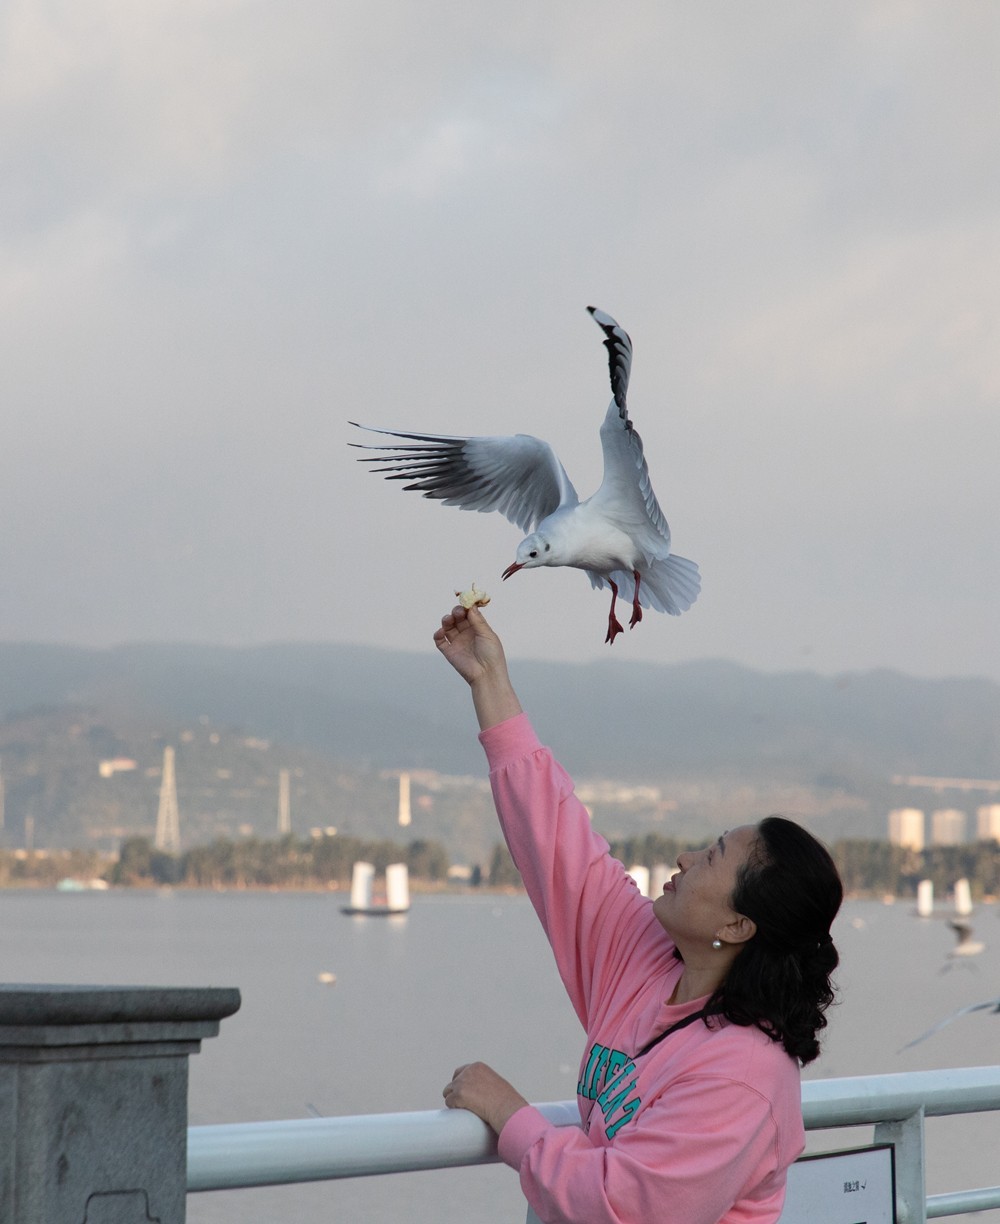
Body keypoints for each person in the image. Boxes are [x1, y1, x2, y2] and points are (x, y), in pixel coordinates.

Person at [436, 605, 843, 1224]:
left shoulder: (743, 1077)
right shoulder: (647, 958)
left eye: (712, 857)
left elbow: (619, 1204)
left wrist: (509, 1113)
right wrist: (489, 679)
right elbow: (556, 845)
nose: (685, 857)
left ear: (737, 926)